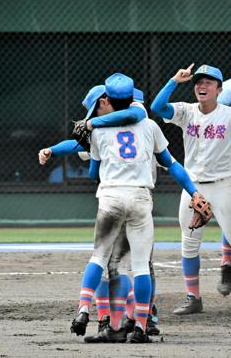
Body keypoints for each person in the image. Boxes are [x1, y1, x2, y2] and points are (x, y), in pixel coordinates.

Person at [71, 73, 203, 343]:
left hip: (110, 197)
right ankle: (142, 325)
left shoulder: (98, 130)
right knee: (141, 265)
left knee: (99, 258)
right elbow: (172, 164)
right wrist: (194, 192)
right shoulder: (150, 126)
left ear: (106, 100)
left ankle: (85, 309)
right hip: (141, 197)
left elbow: (93, 174)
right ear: (133, 98)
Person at [150, 63, 231, 315]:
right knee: (189, 244)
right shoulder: (186, 111)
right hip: (193, 189)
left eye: (208, 82)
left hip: (222, 186)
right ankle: (193, 298)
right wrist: (174, 80)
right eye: (198, 82)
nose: (201, 86)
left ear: (219, 88)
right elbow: (157, 107)